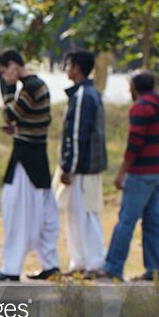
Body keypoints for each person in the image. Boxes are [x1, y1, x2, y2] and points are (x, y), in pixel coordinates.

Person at [0, 49, 59, 282]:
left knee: (15, 212)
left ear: (13, 66)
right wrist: (18, 128)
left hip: (27, 159)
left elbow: (10, 114)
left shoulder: (29, 87)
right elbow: (33, 120)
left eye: (4, 71)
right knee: (42, 213)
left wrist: (7, 91)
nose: (4, 76)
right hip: (33, 155)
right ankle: (49, 264)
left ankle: (11, 268)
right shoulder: (35, 85)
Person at [102, 70, 159, 282]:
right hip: (158, 170)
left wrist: (122, 172)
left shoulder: (141, 108)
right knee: (153, 223)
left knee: (126, 221)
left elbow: (134, 143)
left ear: (135, 87)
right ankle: (156, 269)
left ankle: (113, 267)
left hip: (141, 172)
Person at [56, 50, 107, 277]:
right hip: (85, 165)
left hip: (83, 167)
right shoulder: (88, 93)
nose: (66, 69)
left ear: (76, 68)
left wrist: (69, 167)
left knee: (86, 214)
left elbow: (77, 135)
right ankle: (79, 262)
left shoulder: (83, 96)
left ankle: (95, 262)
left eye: (68, 65)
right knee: (75, 214)